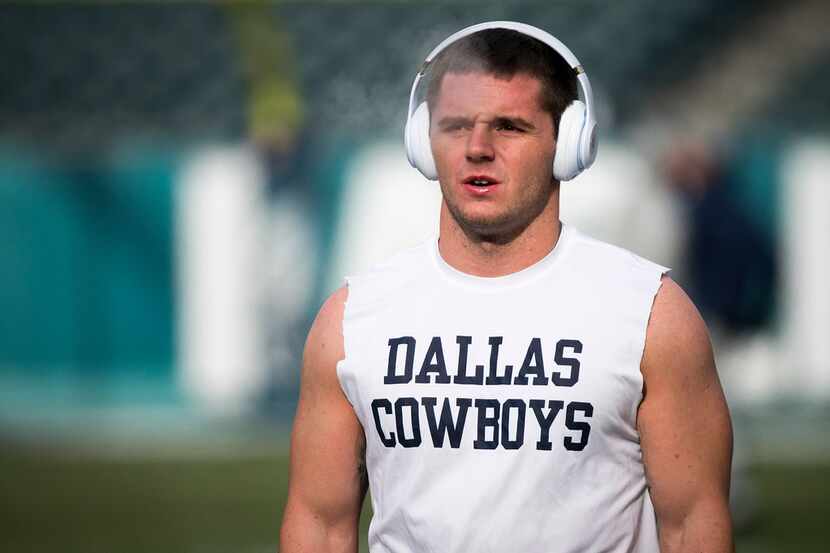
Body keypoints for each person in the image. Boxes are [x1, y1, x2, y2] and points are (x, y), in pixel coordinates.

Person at [280, 22, 733, 553]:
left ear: (569, 144)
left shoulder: (650, 314)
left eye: (510, 127)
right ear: (422, 143)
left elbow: (691, 524)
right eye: (455, 126)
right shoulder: (352, 318)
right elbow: (320, 523)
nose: (477, 148)